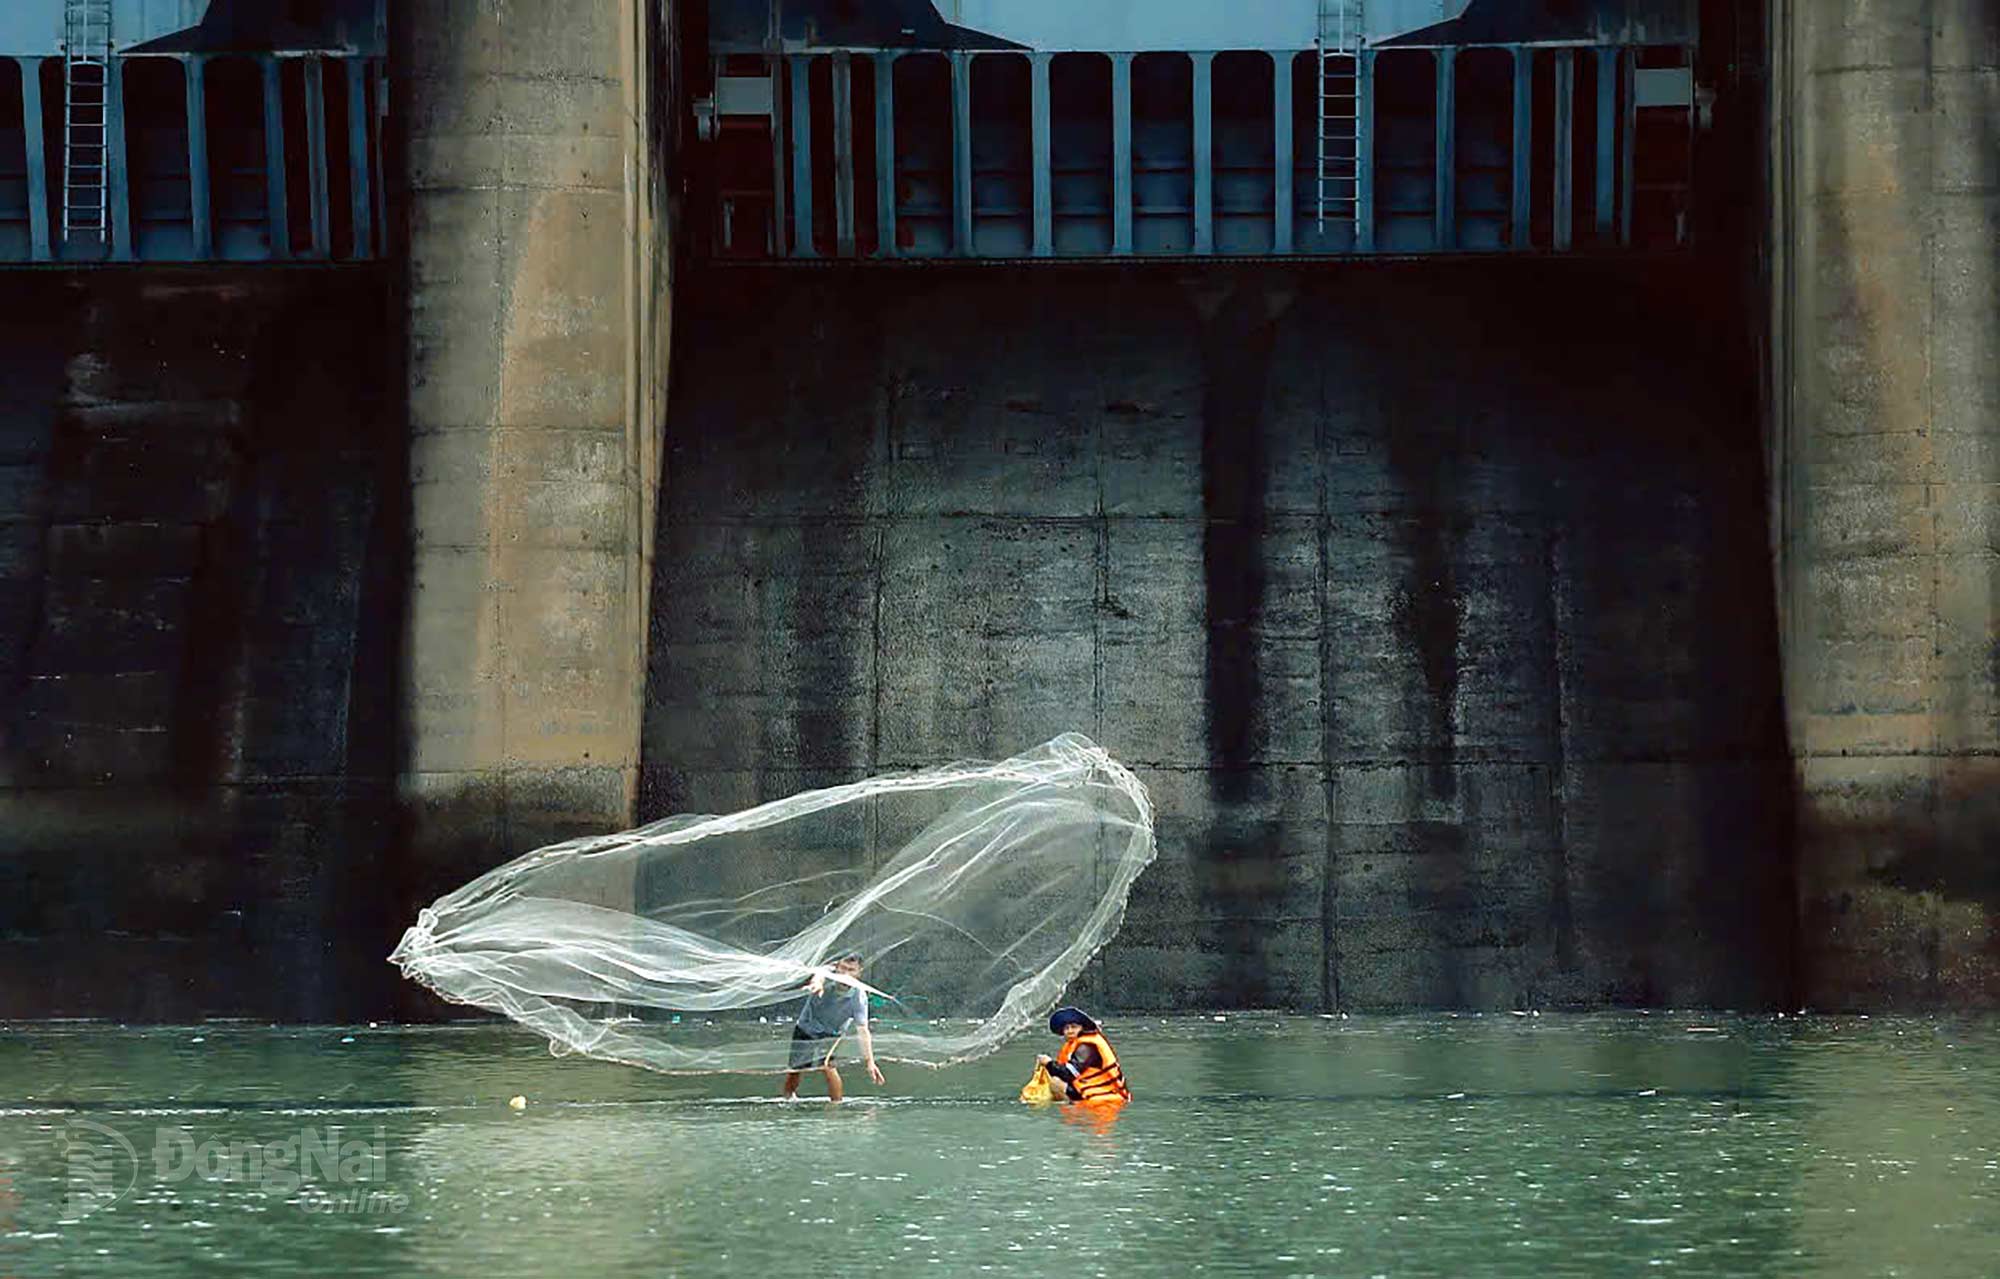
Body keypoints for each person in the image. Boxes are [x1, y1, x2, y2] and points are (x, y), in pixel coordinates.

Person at [782, 954, 885, 1101]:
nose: (846, 974)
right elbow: (820, 975)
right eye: (843, 968)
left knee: (828, 1067)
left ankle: (836, 1105)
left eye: (851, 970)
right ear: (837, 967)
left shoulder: (858, 996)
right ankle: (788, 1099)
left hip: (832, 1033)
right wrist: (816, 984)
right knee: (796, 1069)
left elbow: (862, 1029)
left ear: (859, 972)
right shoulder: (827, 977)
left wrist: (870, 1062)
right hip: (807, 1027)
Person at [1036, 1006, 1129, 1103]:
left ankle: (1074, 1108)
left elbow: (1068, 1074)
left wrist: (1049, 1063)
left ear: (1082, 1028)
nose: (1070, 1031)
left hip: (1103, 1097)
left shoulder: (1086, 1046)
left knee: (1056, 1083)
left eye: (1074, 1027)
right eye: (1066, 1028)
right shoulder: (1076, 1044)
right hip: (1095, 1091)